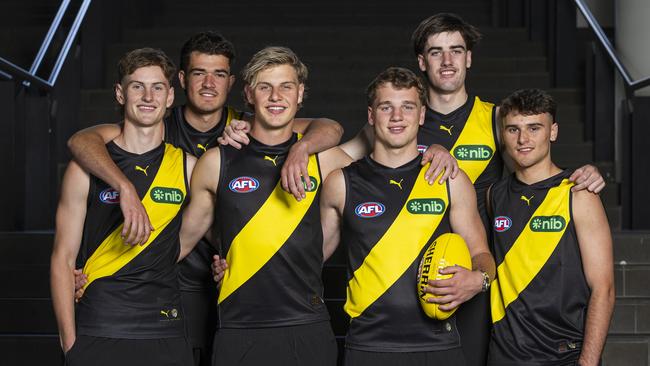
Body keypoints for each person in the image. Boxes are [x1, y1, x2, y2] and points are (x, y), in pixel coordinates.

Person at [67, 31, 343, 366]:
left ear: (232, 83)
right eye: (199, 73)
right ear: (181, 83)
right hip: (170, 291)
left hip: (234, 289)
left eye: (220, 74)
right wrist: (100, 275)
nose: (209, 83)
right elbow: (82, 141)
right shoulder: (154, 124)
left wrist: (302, 149)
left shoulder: (245, 127)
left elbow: (330, 128)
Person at [180, 46, 352, 366]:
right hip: (238, 329)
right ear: (248, 94)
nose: (276, 96)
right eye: (264, 87)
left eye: (286, 86)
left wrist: (436, 151)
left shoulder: (325, 160)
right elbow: (183, 240)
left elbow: (383, 190)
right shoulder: (217, 161)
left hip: (307, 326)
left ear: (300, 94)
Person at [319, 66, 494, 366]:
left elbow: (481, 254)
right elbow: (308, 260)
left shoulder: (450, 180)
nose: (397, 117)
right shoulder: (340, 183)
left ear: (422, 115)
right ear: (371, 116)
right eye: (387, 107)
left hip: (439, 346)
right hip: (367, 346)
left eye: (407, 107)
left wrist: (478, 281)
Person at [50, 48, 195, 366]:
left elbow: (232, 221)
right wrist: (70, 344)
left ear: (170, 96)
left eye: (157, 87)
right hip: (99, 327)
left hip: (165, 330)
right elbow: (62, 257)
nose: (148, 96)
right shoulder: (84, 169)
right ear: (120, 93)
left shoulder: (189, 167)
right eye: (136, 86)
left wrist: (222, 261)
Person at [488, 88, 614, 366]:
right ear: (502, 135)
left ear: (553, 132)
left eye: (534, 128)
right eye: (513, 129)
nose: (523, 139)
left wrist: (588, 362)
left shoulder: (578, 193)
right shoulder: (494, 196)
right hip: (504, 355)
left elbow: (603, 288)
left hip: (564, 355)